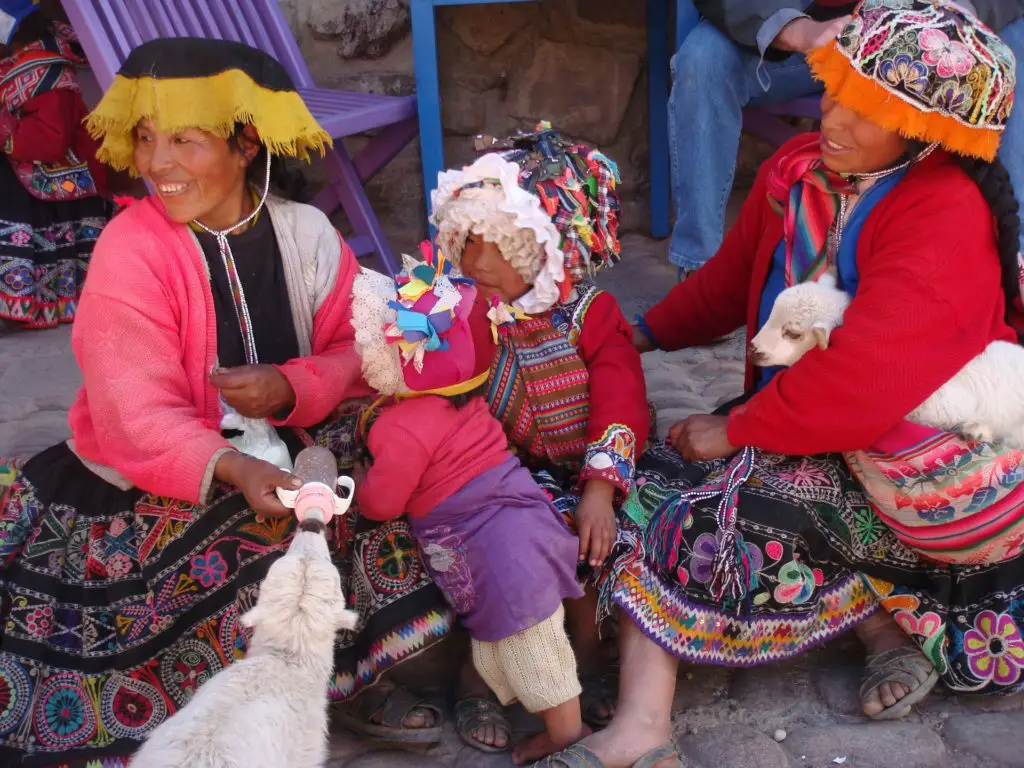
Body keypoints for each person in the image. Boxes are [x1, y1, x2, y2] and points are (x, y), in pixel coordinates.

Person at [538, 2, 1023, 766]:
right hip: (806, 424)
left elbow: (864, 385)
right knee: (630, 484)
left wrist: (734, 430)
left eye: (866, 112)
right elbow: (733, 282)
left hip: (918, 463)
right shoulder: (799, 172)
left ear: (923, 129)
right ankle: (878, 625)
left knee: (705, 515)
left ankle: (641, 727)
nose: (834, 119)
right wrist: (642, 333)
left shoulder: (946, 213)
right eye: (834, 93)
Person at [0, 37, 447, 766]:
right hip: (155, 480)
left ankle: (350, 677)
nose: (156, 163)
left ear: (246, 145)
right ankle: (315, 688)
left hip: (288, 460)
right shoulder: (129, 249)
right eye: (146, 139)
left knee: (402, 488)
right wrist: (233, 467)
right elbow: (131, 412)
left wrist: (295, 386)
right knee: (251, 549)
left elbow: (364, 350)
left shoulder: (308, 236)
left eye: (184, 139)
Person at [428, 125, 651, 753]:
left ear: (533, 250)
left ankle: (587, 660)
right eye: (464, 245)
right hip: (515, 472)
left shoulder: (591, 315)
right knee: (505, 548)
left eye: (488, 247)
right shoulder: (474, 316)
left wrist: (602, 489)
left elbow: (621, 399)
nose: (471, 263)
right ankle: (482, 679)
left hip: (602, 469)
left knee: (606, 548)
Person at [350, 253, 588, 765]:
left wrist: (362, 480)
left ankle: (566, 731)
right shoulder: (465, 401)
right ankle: (521, 704)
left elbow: (381, 502)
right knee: (518, 639)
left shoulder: (400, 426)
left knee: (531, 649)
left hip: (495, 551)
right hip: (525, 523)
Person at [669, 0, 1024, 278]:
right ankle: (700, 266)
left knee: (1014, 51)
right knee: (703, 62)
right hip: (802, 40)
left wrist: (955, 12)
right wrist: (796, 29)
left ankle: (1015, 267)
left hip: (919, 46)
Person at [0, 1, 112, 328]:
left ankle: (16, 297)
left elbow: (49, 142)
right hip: (24, 164)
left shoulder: (47, 72)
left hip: (49, 175)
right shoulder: (17, 65)